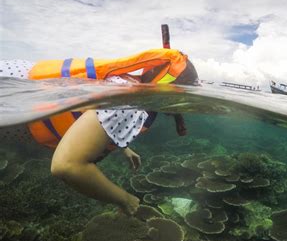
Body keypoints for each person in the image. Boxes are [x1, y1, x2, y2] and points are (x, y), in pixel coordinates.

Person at [0, 49, 199, 215]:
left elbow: (100, 116)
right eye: (186, 98)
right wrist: (124, 199)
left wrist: (123, 146)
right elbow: (66, 166)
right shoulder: (133, 105)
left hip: (14, 76)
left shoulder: (125, 82)